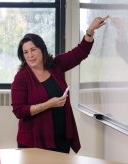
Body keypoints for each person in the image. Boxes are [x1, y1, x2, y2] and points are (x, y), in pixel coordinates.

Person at [11, 16, 109, 153]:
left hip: (61, 138)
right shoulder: (21, 77)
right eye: (25, 52)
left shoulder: (55, 65)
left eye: (33, 50)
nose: (30, 55)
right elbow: (19, 111)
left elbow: (80, 52)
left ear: (42, 49)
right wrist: (47, 105)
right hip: (34, 142)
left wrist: (90, 31)